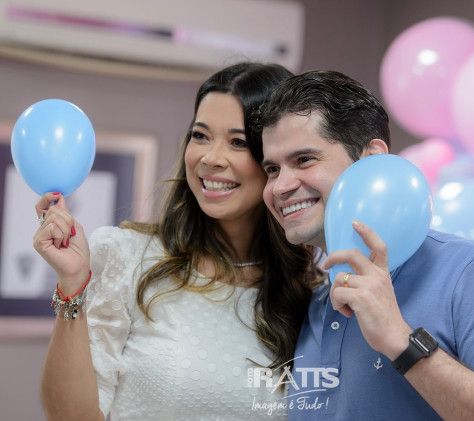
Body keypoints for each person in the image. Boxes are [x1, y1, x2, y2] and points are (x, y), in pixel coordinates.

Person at [256, 70, 474, 420]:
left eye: (303, 160)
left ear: (371, 159)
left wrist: (401, 340)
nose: (280, 187)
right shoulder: (315, 302)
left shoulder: (472, 271)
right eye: (272, 170)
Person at [34, 62, 323, 421]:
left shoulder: (309, 291)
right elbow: (68, 417)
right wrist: (72, 283)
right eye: (200, 135)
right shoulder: (127, 256)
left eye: (237, 142)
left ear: (275, 159)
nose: (210, 158)